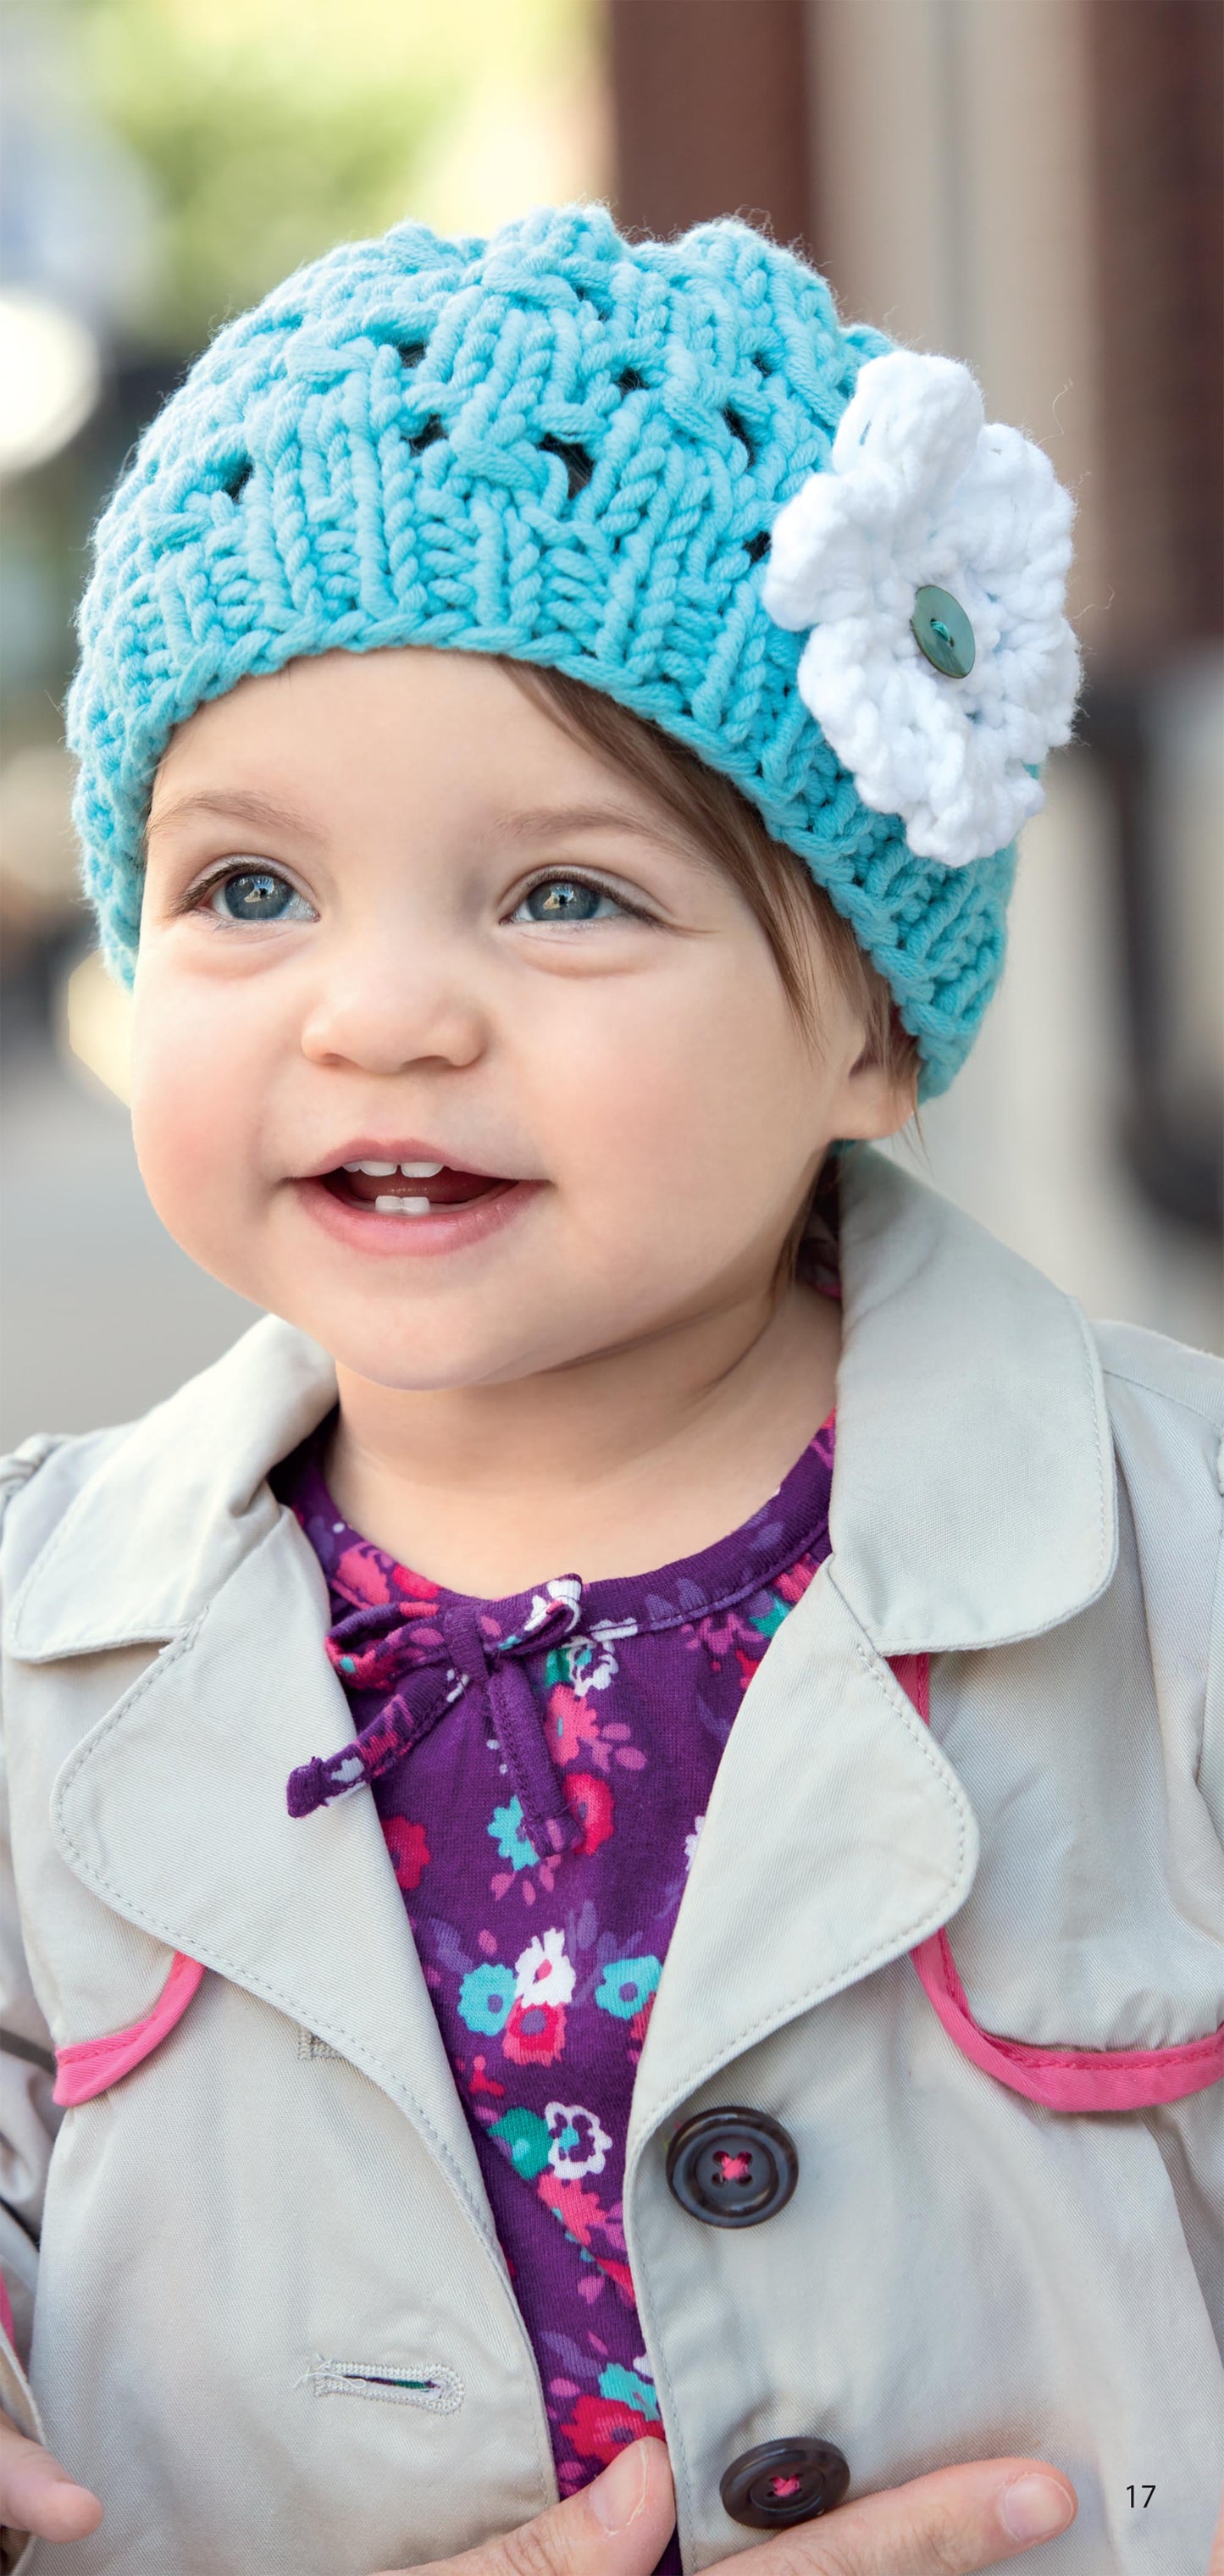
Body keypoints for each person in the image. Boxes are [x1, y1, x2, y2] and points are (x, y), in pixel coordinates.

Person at [0, 204, 1220, 2576]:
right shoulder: (30, 1638)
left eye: (561, 894)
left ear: (870, 1013)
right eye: (250, 889)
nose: (381, 1014)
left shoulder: (1169, 1570)